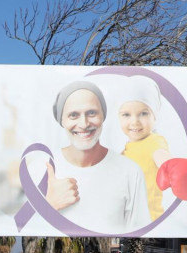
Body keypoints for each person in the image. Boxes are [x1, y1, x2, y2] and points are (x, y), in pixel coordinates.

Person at [36, 80, 150, 234]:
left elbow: (141, 233)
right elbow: (20, 229)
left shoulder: (130, 172)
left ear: (103, 116)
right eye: (73, 115)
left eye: (91, 113)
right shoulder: (40, 168)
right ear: (61, 120)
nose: (83, 124)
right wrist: (48, 206)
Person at [117, 78, 187, 220]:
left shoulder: (154, 142)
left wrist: (175, 168)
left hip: (146, 220)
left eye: (143, 113)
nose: (134, 121)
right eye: (126, 114)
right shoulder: (128, 147)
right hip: (126, 221)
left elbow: (162, 156)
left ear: (155, 117)